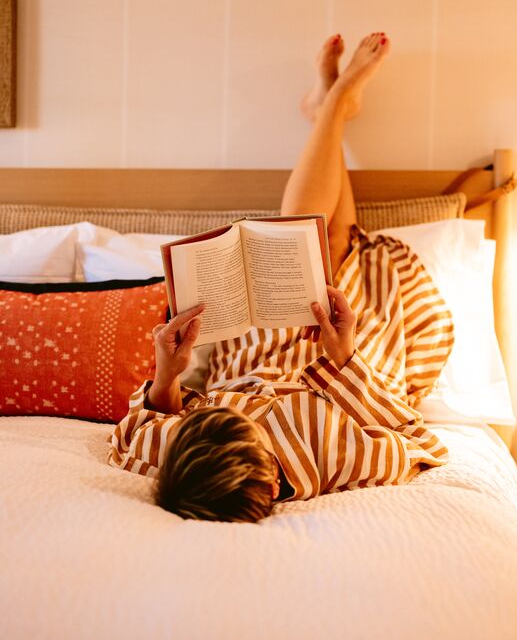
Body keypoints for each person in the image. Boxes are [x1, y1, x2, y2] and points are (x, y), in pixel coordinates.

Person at [107, 32, 453, 522]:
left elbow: (129, 438)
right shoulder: (339, 459)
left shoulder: (178, 454)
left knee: (315, 247)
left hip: (256, 352)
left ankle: (330, 108)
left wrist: (168, 376)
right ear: (273, 480)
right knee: (330, 249)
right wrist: (345, 358)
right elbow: (421, 442)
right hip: (353, 367)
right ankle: (332, 105)